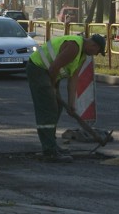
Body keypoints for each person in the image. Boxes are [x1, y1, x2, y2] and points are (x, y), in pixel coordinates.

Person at [26, 33, 106, 163]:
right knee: (48, 108)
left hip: (50, 74)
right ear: (93, 45)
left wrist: (71, 104)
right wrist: (53, 87)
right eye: (97, 51)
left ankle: (52, 145)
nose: (96, 54)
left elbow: (73, 79)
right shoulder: (73, 46)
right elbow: (54, 67)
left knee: (57, 108)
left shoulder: (83, 56)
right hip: (38, 69)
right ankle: (49, 150)